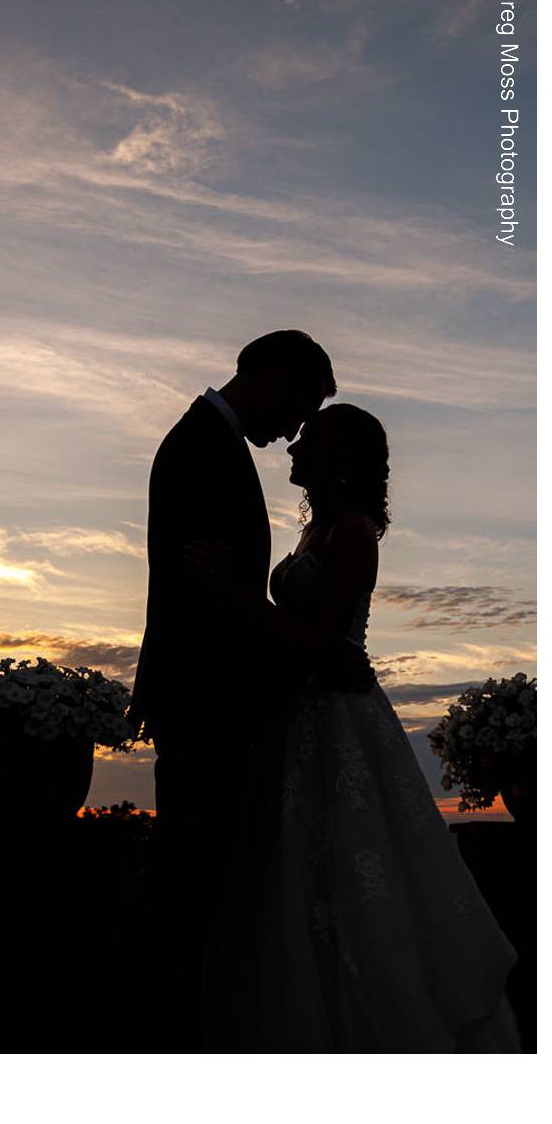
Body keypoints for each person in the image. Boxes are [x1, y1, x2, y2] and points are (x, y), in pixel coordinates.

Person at [188, 403, 523, 1052]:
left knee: (350, 872)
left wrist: (237, 596)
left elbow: (324, 643)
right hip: (294, 718)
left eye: (306, 442)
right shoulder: (316, 531)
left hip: (339, 718)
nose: (291, 450)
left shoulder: (354, 533)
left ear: (340, 458)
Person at [129, 332, 373, 1052]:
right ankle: (174, 1033)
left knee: (209, 877)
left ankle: (191, 1025)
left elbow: (224, 593)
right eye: (302, 405)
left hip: (232, 706)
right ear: (271, 377)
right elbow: (194, 597)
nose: (297, 430)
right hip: (209, 704)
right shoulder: (203, 447)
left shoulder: (211, 444)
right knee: (194, 878)